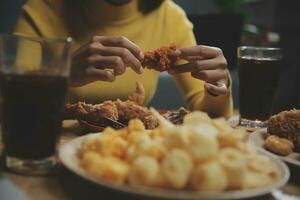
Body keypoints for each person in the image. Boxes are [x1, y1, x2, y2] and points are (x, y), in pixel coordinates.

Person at [14, 0, 233, 117]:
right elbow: (9, 103)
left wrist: (217, 88)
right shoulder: (41, 10)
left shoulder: (171, 18)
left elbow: (209, 112)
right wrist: (58, 74)